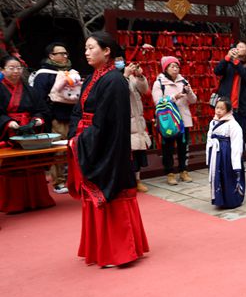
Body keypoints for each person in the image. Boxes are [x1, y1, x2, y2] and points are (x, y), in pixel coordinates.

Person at [68, 32, 149, 267]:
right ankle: (102, 249)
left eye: (91, 47)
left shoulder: (114, 81)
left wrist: (84, 139)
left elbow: (110, 123)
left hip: (108, 146)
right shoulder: (92, 78)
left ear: (106, 51)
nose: (86, 52)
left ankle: (120, 251)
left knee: (112, 193)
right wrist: (76, 136)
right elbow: (78, 111)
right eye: (85, 48)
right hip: (90, 139)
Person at [0, 55, 54, 213]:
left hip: (29, 132)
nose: (16, 71)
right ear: (2, 70)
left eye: (18, 68)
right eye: (11, 68)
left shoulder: (30, 90)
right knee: (12, 167)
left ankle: (38, 200)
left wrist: (38, 119)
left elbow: (42, 109)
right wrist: (6, 122)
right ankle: (13, 202)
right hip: (8, 133)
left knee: (32, 164)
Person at [33, 42, 76, 194]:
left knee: (73, 149)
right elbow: (39, 99)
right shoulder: (43, 74)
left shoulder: (71, 72)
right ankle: (59, 181)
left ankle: (73, 179)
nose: (65, 56)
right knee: (59, 150)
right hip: (56, 118)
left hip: (73, 116)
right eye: (61, 53)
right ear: (51, 56)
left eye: (66, 53)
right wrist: (48, 116)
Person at [152, 56, 197, 186]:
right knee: (168, 148)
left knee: (183, 147)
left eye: (177, 66)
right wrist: (174, 97)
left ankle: (183, 171)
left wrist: (189, 92)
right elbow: (158, 102)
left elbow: (193, 100)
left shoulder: (184, 81)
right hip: (169, 122)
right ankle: (170, 173)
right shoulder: (159, 83)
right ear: (165, 68)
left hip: (183, 120)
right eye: (172, 66)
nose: (175, 69)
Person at [213, 40, 246, 149]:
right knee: (224, 132)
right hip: (225, 102)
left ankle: (239, 156)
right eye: (237, 46)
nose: (238, 48)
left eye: (241, 47)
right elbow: (217, 71)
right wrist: (227, 58)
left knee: (238, 134)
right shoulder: (229, 62)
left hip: (239, 104)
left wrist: (236, 61)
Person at [207, 97, 245, 209]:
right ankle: (219, 199)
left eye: (222, 109)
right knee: (217, 176)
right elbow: (209, 138)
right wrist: (208, 154)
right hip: (216, 153)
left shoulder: (233, 124)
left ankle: (231, 200)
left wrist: (236, 164)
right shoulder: (213, 122)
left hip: (227, 154)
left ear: (228, 110)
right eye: (217, 108)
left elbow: (236, 144)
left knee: (228, 176)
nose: (218, 110)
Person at [120, 57, 151, 193]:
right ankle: (127, 182)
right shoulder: (113, 77)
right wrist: (125, 76)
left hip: (137, 120)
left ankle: (137, 180)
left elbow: (144, 90)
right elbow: (119, 92)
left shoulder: (132, 78)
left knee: (137, 153)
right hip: (124, 120)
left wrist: (139, 76)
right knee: (126, 154)